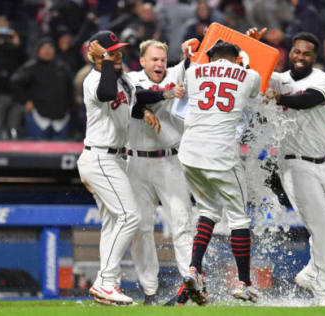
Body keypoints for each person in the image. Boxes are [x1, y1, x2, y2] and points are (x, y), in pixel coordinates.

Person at [77, 30, 182, 306]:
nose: (118, 54)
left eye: (119, 50)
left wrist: (162, 96)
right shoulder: (94, 80)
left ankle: (107, 285)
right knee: (130, 217)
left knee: (113, 222)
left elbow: (139, 96)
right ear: (98, 53)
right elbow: (106, 92)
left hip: (113, 159)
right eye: (112, 50)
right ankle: (105, 282)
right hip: (100, 157)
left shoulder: (122, 79)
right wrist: (104, 61)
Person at [253, 30, 325, 307]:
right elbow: (248, 67)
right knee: (320, 229)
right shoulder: (277, 80)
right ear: (290, 52)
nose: (300, 56)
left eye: (306, 53)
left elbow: (307, 100)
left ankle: (311, 271)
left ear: (314, 57)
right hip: (294, 164)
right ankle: (324, 294)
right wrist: (254, 43)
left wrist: (276, 98)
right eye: (297, 51)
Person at [178, 41, 261, 305]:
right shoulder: (249, 74)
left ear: (210, 57)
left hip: (189, 154)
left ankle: (193, 269)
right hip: (221, 155)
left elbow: (196, 66)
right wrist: (244, 60)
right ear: (236, 59)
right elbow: (254, 92)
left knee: (208, 210)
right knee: (238, 218)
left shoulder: (193, 72)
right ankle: (244, 283)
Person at [125, 39, 194, 305]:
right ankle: (150, 291)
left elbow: (190, 63)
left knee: (182, 222)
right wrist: (152, 103)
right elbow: (137, 97)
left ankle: (191, 283)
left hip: (170, 162)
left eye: (163, 59)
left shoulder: (177, 73)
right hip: (137, 163)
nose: (159, 64)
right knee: (141, 228)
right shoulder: (131, 78)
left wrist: (189, 52)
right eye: (153, 59)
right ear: (142, 61)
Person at [11, 38, 74, 140]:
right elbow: (15, 82)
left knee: (61, 151)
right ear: (38, 50)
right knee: (36, 152)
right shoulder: (31, 66)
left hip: (61, 117)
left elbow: (70, 89)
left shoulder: (62, 67)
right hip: (37, 117)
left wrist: (70, 107)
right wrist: (25, 101)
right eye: (44, 48)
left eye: (50, 48)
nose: (47, 51)